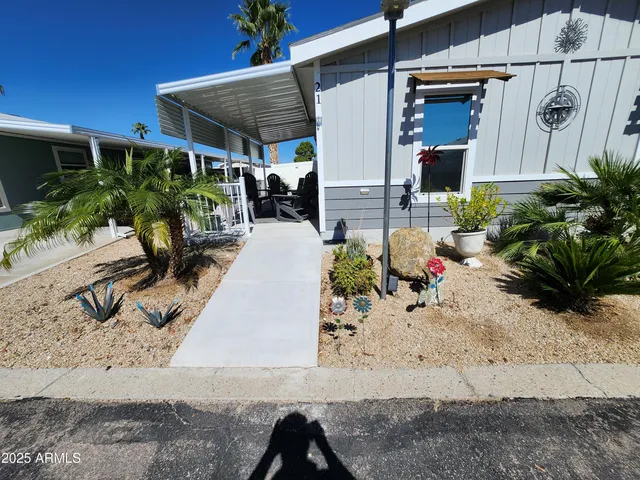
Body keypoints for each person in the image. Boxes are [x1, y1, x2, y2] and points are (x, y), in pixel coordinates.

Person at [248, 412, 355, 480]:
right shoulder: (320, 477)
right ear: (307, 442)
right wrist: (324, 445)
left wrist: (271, 451)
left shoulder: (283, 477)